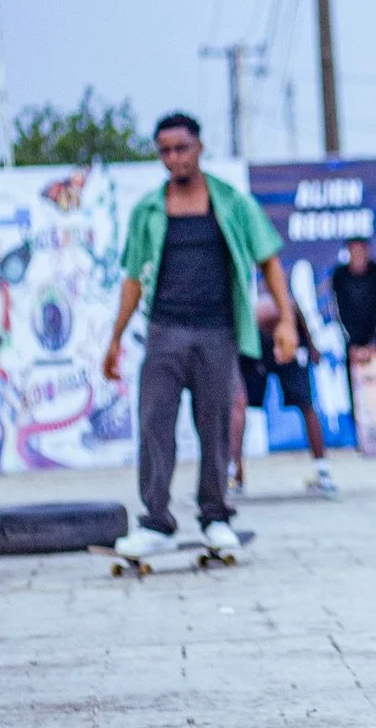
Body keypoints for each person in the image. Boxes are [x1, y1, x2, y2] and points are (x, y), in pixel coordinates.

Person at [102, 113, 299, 559]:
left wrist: (286, 321)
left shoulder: (230, 202)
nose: (174, 158)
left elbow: (269, 260)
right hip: (164, 331)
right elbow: (132, 279)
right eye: (165, 151)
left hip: (217, 332)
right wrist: (114, 339)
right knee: (154, 423)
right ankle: (156, 523)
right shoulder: (149, 210)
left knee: (215, 426)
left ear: (199, 148)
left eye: (181, 148)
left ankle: (215, 516)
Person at [232, 293, 337, 497]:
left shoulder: (277, 308)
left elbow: (294, 309)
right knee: (239, 405)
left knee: (306, 404)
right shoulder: (250, 317)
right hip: (260, 342)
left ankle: (323, 473)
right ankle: (234, 476)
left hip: (288, 339)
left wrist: (311, 346)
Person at [330, 238, 376, 447]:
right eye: (354, 251)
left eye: (362, 250)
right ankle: (364, 440)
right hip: (352, 343)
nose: (358, 255)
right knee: (356, 391)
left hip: (375, 343)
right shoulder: (340, 276)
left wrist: (375, 341)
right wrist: (351, 344)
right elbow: (337, 311)